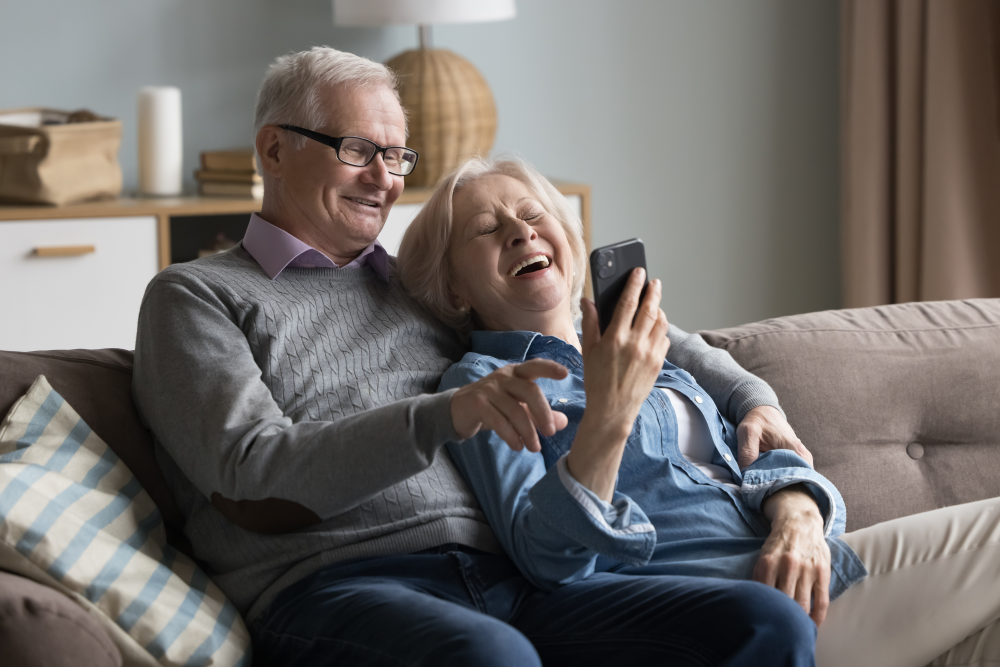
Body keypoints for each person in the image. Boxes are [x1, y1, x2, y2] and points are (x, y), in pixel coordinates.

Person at [133, 47, 819, 667]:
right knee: (491, 656)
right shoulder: (196, 295)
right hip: (338, 586)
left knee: (764, 621)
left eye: (398, 156)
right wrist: (441, 415)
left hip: (508, 580)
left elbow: (635, 338)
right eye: (357, 149)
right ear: (274, 151)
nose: (385, 178)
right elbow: (250, 480)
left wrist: (751, 396)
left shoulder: (416, 287)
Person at [396, 155, 1000, 667]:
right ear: (453, 290)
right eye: (487, 228)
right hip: (724, 602)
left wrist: (798, 515)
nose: (521, 232)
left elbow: (762, 451)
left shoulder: (643, 346)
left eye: (532, 215)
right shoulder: (479, 383)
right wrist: (611, 409)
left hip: (799, 560)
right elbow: (545, 558)